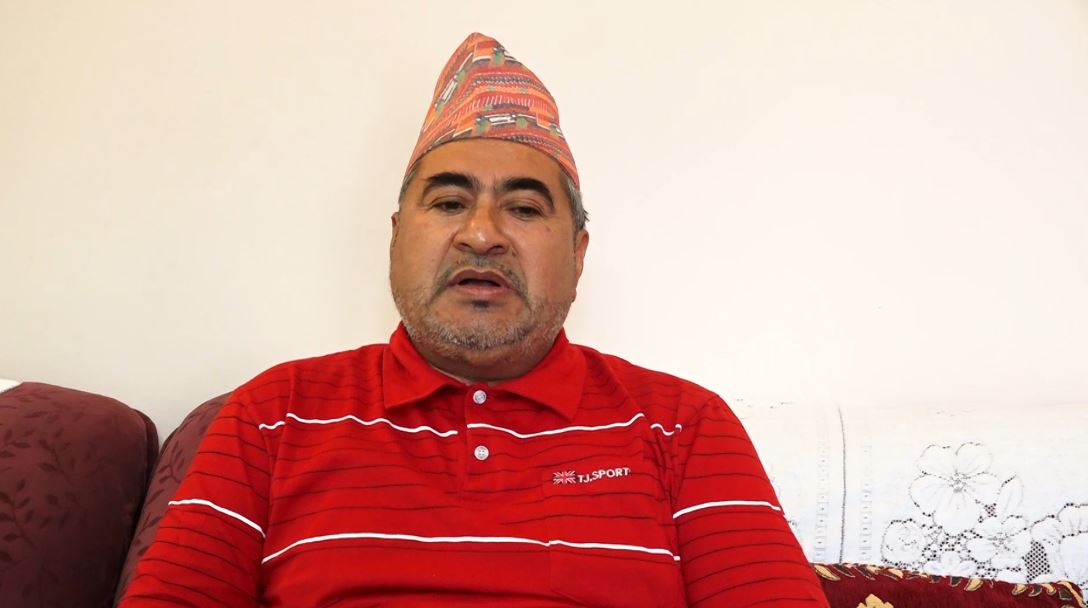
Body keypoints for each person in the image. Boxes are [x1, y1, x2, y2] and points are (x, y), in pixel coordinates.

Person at [120, 33, 829, 607]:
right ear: (396, 239)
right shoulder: (273, 415)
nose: (482, 234)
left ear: (578, 254)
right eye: (449, 203)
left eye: (523, 208)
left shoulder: (683, 426)